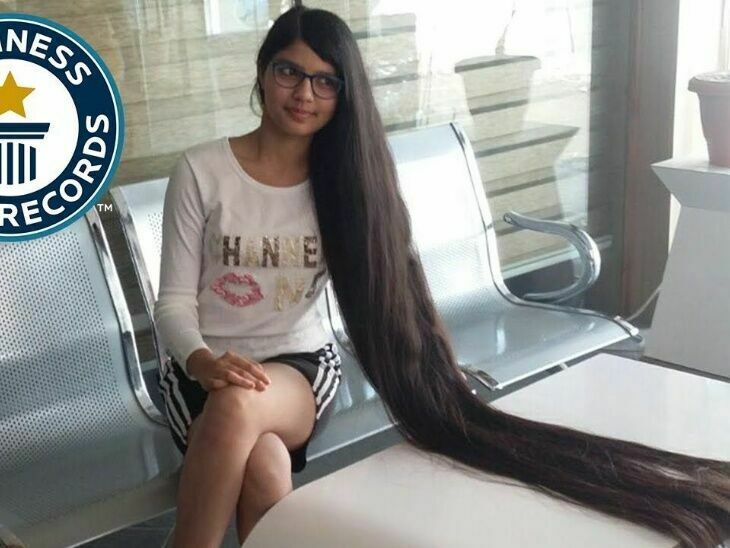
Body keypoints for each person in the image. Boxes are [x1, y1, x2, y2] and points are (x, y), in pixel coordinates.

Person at [156, 5, 730, 548]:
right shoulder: (203, 170)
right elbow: (174, 303)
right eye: (289, 72)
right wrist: (202, 361)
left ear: (343, 94)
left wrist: (437, 373)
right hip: (200, 368)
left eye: (325, 81)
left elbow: (392, 292)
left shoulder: (346, 180)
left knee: (237, 407)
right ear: (263, 71)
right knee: (264, 462)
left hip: (298, 369)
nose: (304, 93)